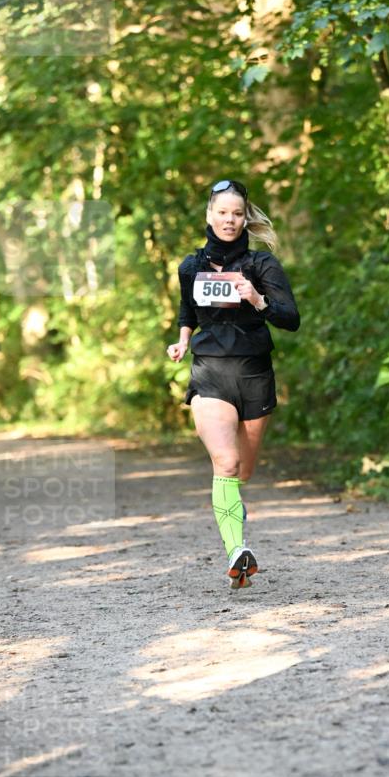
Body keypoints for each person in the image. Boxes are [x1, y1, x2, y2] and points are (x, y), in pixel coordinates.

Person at [167, 179, 300, 588]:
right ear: (209, 215)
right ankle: (236, 550)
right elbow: (188, 310)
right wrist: (183, 340)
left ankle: (235, 535)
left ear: (245, 219)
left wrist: (257, 299)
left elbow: (290, 319)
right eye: (222, 212)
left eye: (236, 214)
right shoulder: (190, 267)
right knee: (224, 463)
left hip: (255, 374)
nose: (229, 220)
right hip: (209, 373)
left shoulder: (261, 266)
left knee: (242, 472)